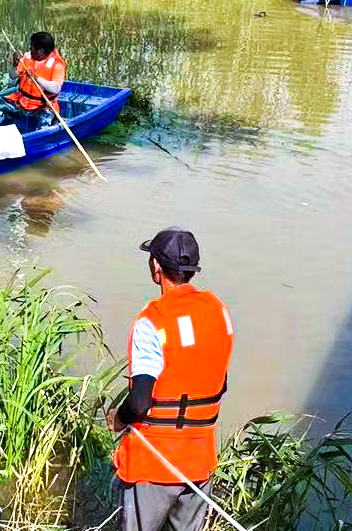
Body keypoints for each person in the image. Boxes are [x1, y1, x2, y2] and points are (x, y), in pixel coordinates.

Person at [108, 227, 235, 531]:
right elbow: (219, 382)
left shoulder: (152, 321)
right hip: (200, 460)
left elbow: (139, 402)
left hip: (153, 461)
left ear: (156, 268)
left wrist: (118, 419)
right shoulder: (218, 311)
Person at [0, 31, 66, 133]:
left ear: (40, 51)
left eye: (32, 47)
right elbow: (12, 76)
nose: (30, 49)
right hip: (20, 102)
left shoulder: (57, 65)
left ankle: (34, 142)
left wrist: (36, 78)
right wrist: (14, 65)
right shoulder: (27, 57)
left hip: (42, 107)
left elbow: (56, 88)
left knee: (44, 126)